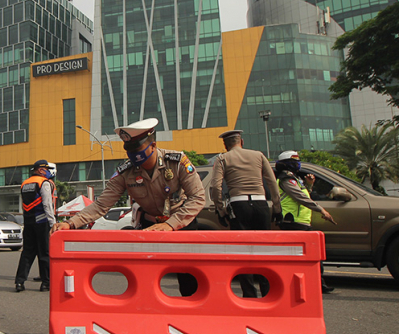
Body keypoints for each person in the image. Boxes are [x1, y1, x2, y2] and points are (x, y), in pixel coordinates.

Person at [51, 118, 205, 296]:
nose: (133, 156)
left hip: (182, 226)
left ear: (153, 146)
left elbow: (197, 197)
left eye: (137, 150)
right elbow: (102, 204)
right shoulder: (126, 172)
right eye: (129, 151)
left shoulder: (177, 162)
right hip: (150, 228)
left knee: (189, 281)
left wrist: (171, 224)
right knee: (147, 283)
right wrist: (71, 223)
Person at [209, 130, 282, 297]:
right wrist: (277, 208)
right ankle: (268, 292)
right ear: (242, 142)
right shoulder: (258, 156)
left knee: (242, 252)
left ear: (225, 145)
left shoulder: (222, 158)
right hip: (260, 203)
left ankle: (249, 293)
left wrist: (220, 209)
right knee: (264, 250)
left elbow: (215, 187)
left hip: (238, 205)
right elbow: (272, 182)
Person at [275, 150, 337, 294]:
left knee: (312, 255)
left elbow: (304, 194)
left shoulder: (295, 179)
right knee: (303, 257)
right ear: (287, 165)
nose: (297, 164)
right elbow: (300, 197)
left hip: (301, 222)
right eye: (294, 162)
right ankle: (312, 285)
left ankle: (317, 283)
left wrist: (309, 185)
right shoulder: (286, 179)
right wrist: (321, 210)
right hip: (293, 222)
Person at [14, 160, 57, 292]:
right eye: (46, 169)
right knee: (44, 253)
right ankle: (46, 283)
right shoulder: (43, 183)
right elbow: (47, 205)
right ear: (40, 170)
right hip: (42, 222)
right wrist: (53, 223)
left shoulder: (25, 183)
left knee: (27, 253)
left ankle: (19, 282)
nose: (48, 172)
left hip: (28, 222)